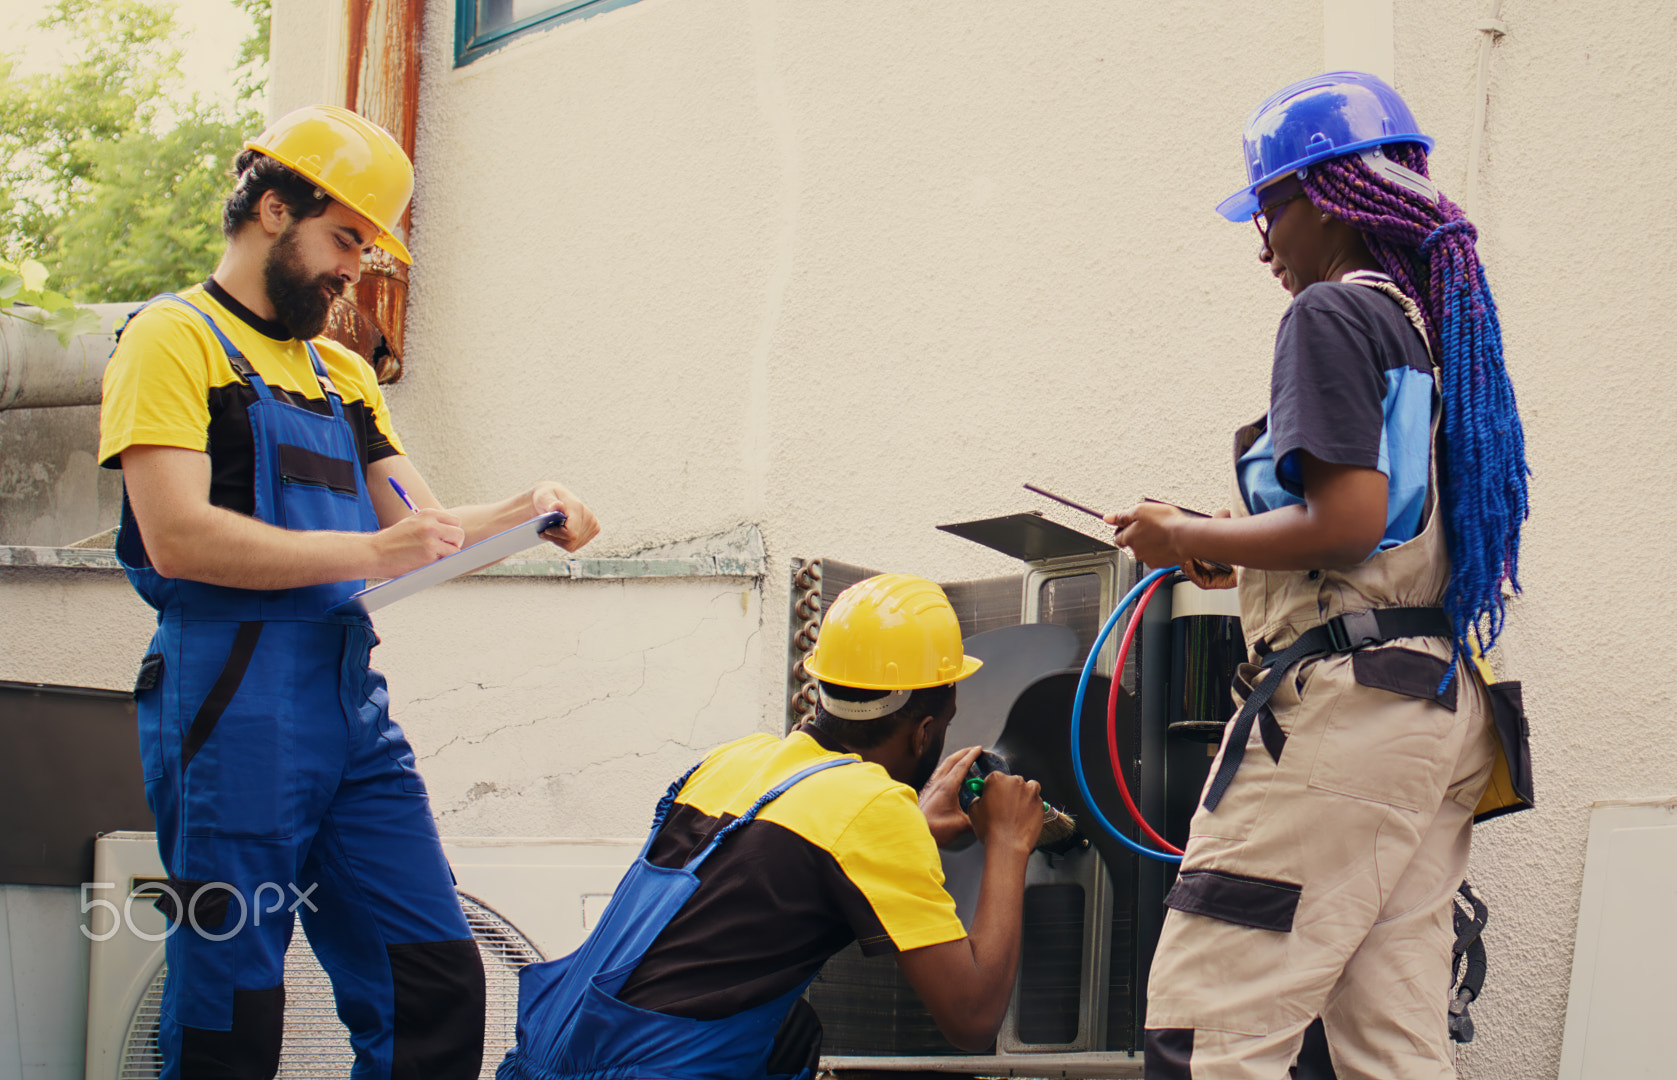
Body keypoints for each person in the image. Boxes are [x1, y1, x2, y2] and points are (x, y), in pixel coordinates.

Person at [98, 103, 601, 1080]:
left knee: (435, 984)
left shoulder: (340, 373)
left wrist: (529, 509)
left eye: (365, 251)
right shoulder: (171, 339)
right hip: (226, 707)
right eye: (344, 240)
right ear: (274, 209)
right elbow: (177, 534)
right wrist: (369, 552)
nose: (351, 271)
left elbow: (422, 525)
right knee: (230, 1011)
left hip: (348, 718)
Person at [1106, 73, 1532, 1080]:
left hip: (1344, 717)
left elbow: (1340, 523)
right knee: (1388, 1045)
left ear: (1319, 196)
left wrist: (1184, 532)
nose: (1263, 247)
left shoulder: (1328, 317)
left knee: (1212, 1025)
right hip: (1432, 709)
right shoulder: (1419, 328)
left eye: (1266, 211)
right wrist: (1227, 549)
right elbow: (1381, 529)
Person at [498, 573, 1047, 1080]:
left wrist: (913, 829)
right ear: (924, 730)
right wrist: (1008, 840)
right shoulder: (871, 807)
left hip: (543, 1056)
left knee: (792, 1036)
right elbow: (972, 1018)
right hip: (647, 1072)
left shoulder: (734, 761)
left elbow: (758, 883)